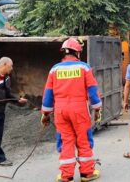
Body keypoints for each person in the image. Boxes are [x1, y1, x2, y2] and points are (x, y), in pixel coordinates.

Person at [41, 38, 102, 182]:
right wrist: (97, 109)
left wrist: (45, 114)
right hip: (79, 109)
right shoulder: (84, 68)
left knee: (66, 141)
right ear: (77, 53)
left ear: (64, 52)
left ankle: (66, 175)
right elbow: (93, 91)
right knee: (83, 140)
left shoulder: (54, 69)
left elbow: (48, 94)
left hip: (61, 110)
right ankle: (87, 173)